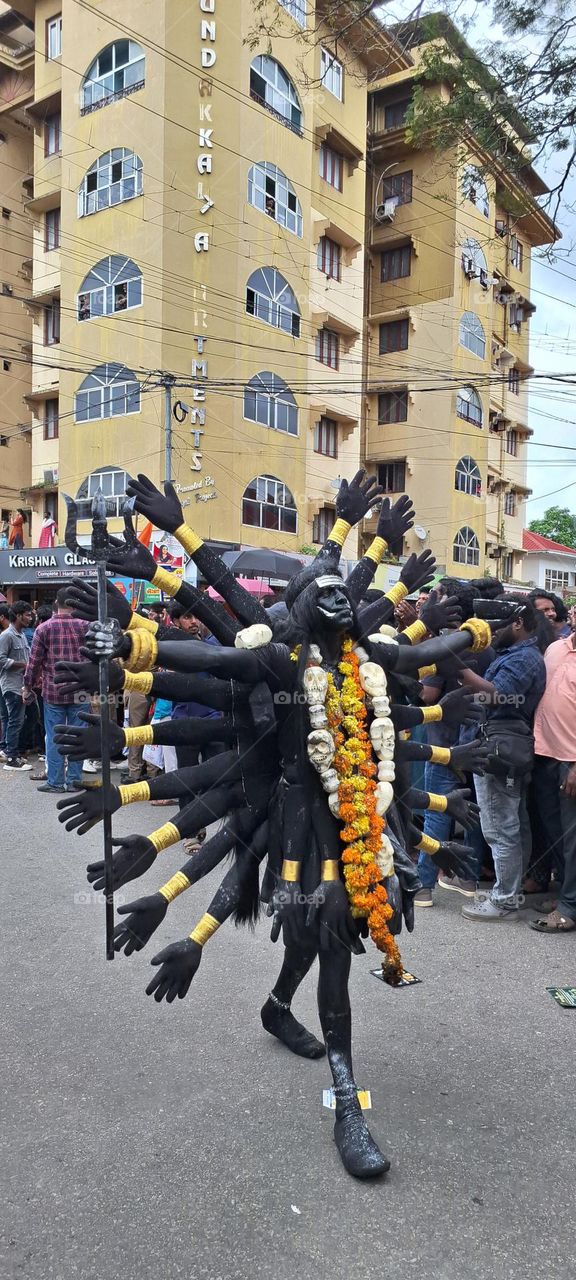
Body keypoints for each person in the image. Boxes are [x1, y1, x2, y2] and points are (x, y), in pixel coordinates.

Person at [460, 596, 546, 921]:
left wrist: (458, 669)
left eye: (496, 626)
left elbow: (498, 695)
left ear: (518, 623)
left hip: (501, 746)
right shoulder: (516, 653)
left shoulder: (524, 658)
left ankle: (504, 900)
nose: (491, 633)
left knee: (500, 825)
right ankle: (510, 891)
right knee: (514, 821)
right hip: (501, 742)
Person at [529, 607, 576, 933]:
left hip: (571, 762)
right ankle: (566, 896)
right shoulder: (556, 647)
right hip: (543, 754)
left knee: (572, 838)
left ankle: (570, 908)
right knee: (554, 833)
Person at [22, 588, 88, 793]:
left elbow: (33, 663)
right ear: (74, 604)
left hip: (53, 690)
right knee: (79, 737)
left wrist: (27, 686)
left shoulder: (44, 628)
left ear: (56, 603)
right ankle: (75, 780)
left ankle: (56, 782)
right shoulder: (86, 626)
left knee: (54, 737)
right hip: (80, 690)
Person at [0, 600, 33, 770]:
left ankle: (14, 751)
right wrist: (22, 665)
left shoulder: (21, 635)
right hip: (12, 686)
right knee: (15, 721)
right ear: (18, 616)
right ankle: (12, 758)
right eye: (27, 614)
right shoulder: (7, 636)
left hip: (24, 685)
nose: (30, 617)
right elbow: (1, 660)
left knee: (32, 717)